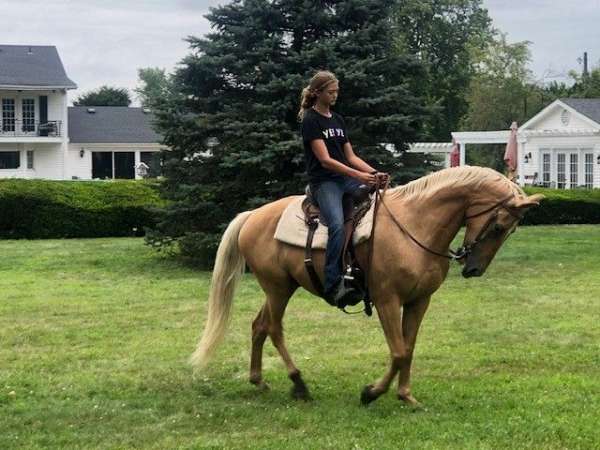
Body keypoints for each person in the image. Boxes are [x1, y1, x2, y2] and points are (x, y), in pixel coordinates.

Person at [298, 70, 388, 308]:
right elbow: (326, 160)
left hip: (345, 180)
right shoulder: (310, 120)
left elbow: (350, 156)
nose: (335, 95)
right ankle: (332, 283)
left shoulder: (338, 119)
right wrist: (360, 176)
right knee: (337, 225)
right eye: (331, 92)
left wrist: (373, 174)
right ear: (318, 93)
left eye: (337, 91)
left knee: (381, 202)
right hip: (325, 182)